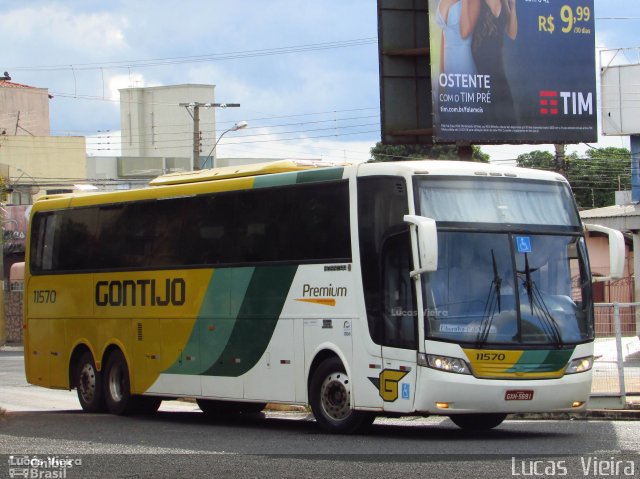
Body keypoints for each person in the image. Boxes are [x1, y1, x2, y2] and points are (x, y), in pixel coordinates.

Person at [471, 0, 518, 125]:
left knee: (507, 108)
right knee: (487, 109)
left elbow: (512, 34)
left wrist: (513, 6)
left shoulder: (504, 3)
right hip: (480, 63)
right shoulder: (477, 3)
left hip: (497, 64)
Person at [436, 0, 481, 75]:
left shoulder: (474, 1)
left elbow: (464, 33)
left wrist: (464, 2)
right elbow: (444, 37)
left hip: (464, 64)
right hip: (448, 68)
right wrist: (441, 72)